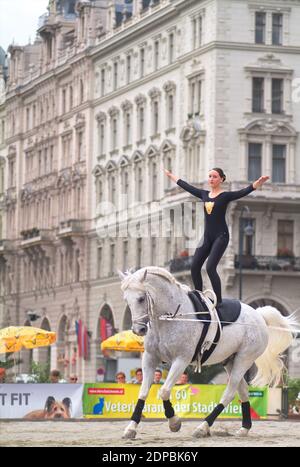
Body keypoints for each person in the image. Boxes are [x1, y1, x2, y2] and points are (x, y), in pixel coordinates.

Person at [164, 167, 269, 305]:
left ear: (221, 179)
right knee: (195, 266)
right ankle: (199, 297)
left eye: (214, 176)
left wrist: (257, 184)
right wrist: (171, 175)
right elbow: (187, 186)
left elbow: (242, 192)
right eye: (210, 176)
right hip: (207, 237)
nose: (211, 179)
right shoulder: (204, 194)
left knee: (210, 267)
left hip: (221, 236)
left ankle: (219, 301)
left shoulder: (225, 196)